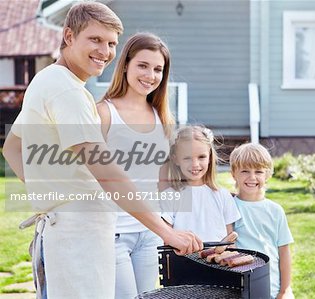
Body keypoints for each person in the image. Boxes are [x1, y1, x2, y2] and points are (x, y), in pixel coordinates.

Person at [2, 3, 201, 299]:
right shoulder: (68, 91)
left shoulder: (49, 80)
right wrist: (167, 233)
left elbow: (11, 147)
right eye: (95, 40)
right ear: (69, 36)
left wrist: (49, 195)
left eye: (111, 44)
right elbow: (107, 172)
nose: (105, 52)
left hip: (66, 231)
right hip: (78, 237)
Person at [97, 32, 172, 298]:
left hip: (149, 234)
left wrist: (166, 224)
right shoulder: (104, 113)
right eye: (143, 65)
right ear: (126, 64)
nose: (150, 75)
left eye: (158, 69)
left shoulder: (160, 116)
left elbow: (161, 179)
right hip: (113, 234)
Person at [230, 143, 294, 299]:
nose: (252, 177)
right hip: (241, 288)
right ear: (233, 174)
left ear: (268, 174)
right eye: (245, 171)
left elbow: (284, 253)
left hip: (272, 287)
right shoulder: (230, 207)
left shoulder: (275, 210)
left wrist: (284, 290)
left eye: (258, 171)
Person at [161, 126, 241, 241]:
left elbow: (230, 239)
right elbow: (166, 238)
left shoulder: (222, 195)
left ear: (209, 157)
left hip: (217, 258)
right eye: (187, 158)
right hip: (181, 258)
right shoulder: (170, 195)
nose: (195, 164)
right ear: (176, 159)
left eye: (201, 157)